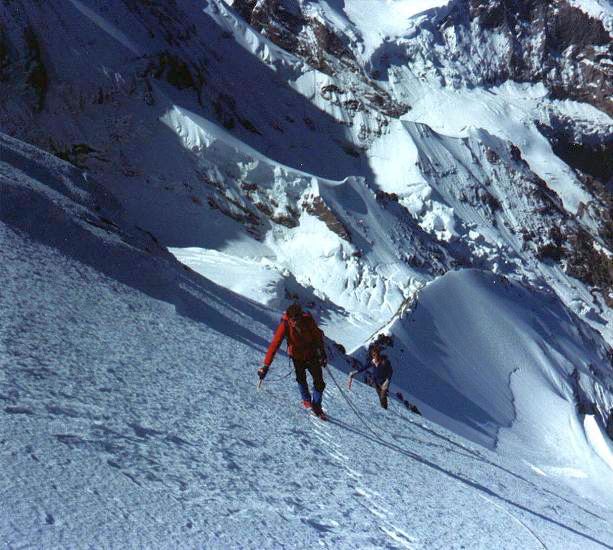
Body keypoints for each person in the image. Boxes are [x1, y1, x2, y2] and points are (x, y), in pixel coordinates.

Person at [258, 304, 328, 419]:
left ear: (301, 316)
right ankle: (307, 401)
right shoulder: (284, 325)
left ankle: (316, 406)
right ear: (289, 318)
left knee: (319, 381)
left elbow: (317, 336)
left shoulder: (308, 320)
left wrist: (322, 352)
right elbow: (274, 345)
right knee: (301, 378)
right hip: (297, 356)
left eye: (297, 319)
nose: (295, 322)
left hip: (311, 354)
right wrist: (265, 366)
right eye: (292, 320)